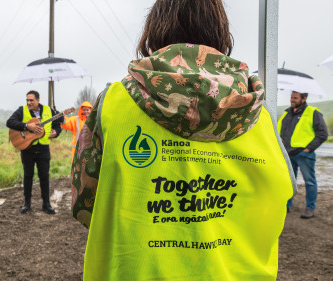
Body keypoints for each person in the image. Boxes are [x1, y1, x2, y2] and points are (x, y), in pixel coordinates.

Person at [70, 1, 296, 280]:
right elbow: (282, 199)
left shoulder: (112, 104)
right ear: (222, 36)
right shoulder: (259, 117)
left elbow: (84, 204)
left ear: (153, 34)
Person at [6, 90, 63, 214]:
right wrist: (27, 126)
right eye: (27, 100)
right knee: (28, 176)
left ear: (38, 100)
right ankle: (27, 203)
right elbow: (9, 122)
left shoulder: (49, 110)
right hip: (27, 149)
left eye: (31, 100)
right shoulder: (22, 110)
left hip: (43, 149)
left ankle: (46, 204)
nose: (29, 102)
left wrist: (56, 132)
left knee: (44, 176)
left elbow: (58, 125)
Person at [278, 91, 328, 218]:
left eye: (295, 98)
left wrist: (308, 149)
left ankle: (310, 208)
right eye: (291, 97)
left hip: (304, 155)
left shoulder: (312, 112)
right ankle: (287, 205)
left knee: (309, 182)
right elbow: (278, 131)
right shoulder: (286, 113)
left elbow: (323, 134)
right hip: (288, 154)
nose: (292, 100)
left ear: (304, 98)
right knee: (289, 182)